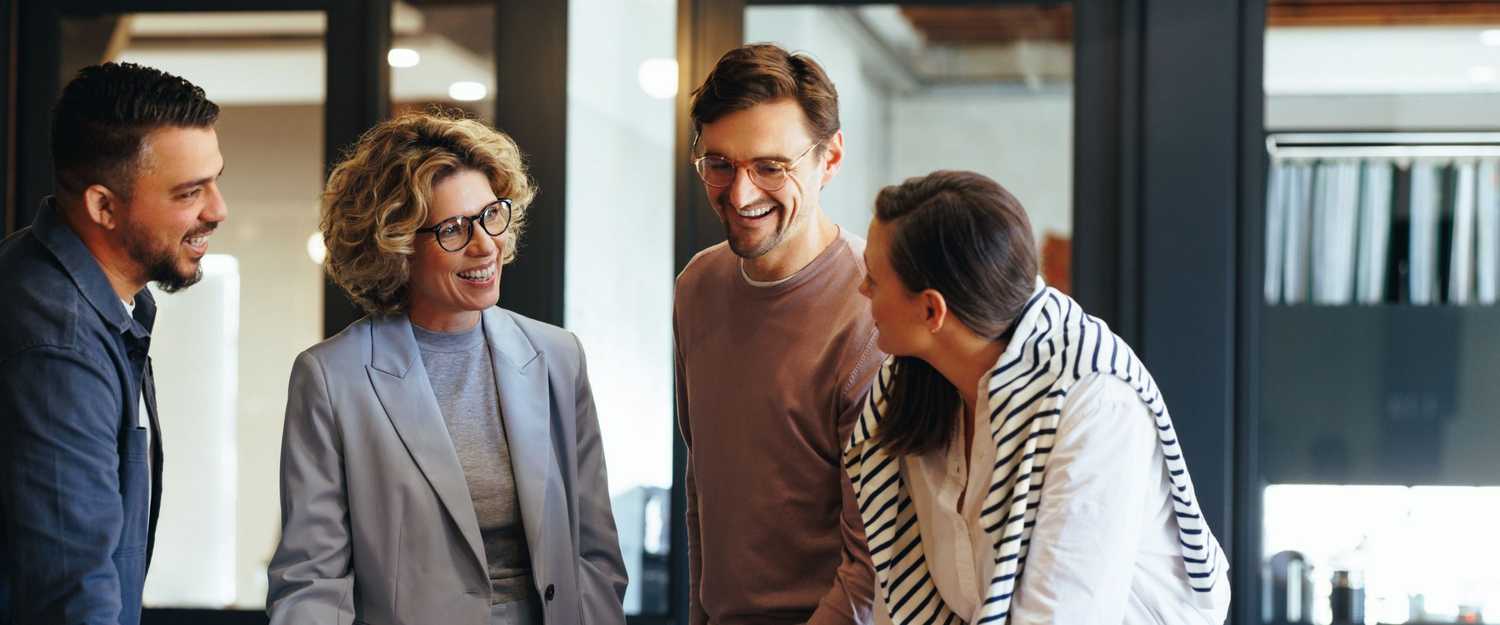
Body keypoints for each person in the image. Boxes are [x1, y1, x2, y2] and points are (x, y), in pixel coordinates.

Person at [266, 111, 627, 625]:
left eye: (491, 216)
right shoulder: (331, 379)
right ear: (398, 244)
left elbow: (594, 554)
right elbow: (313, 581)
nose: (485, 245)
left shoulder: (557, 356)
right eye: (454, 229)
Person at [847, 170, 1232, 625]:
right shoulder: (914, 388)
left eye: (873, 278)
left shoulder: (1095, 403)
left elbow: (1060, 616)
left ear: (932, 309)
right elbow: (903, 598)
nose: (861, 290)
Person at [0, 62, 225, 625]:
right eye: (189, 192)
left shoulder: (93, 299)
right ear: (103, 206)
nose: (217, 210)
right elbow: (70, 592)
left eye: (215, 181)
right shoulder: (59, 344)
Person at [674, 43, 880, 625]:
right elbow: (701, 492)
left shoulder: (873, 310)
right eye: (720, 165)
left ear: (830, 158)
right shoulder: (697, 287)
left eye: (771, 167)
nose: (740, 195)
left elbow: (871, 563)